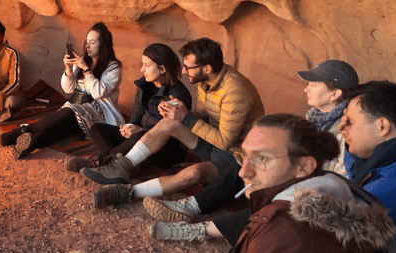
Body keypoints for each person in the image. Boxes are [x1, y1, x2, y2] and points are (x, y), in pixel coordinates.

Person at [145, 59, 359, 242]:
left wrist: (283, 175)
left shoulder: (346, 131)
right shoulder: (315, 117)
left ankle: (198, 230)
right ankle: (190, 206)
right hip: (292, 174)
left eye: (313, 84)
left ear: (335, 94)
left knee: (273, 208)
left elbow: (335, 181)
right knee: (242, 165)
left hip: (311, 192)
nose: (306, 88)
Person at [184, 113, 396, 253]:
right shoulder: (333, 187)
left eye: (262, 159)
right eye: (245, 156)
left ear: (304, 166)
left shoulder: (285, 230)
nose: (243, 172)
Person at [84, 38, 263, 206]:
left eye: (188, 67)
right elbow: (201, 115)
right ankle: (122, 166)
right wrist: (177, 114)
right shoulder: (205, 81)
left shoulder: (235, 91)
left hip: (235, 154)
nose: (184, 71)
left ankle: (128, 192)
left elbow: (225, 142)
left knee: (195, 172)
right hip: (211, 143)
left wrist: (186, 117)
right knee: (168, 123)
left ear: (207, 68)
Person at [0, 22, 122, 160]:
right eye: (86, 42)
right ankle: (32, 143)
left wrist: (86, 70)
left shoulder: (113, 67)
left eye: (92, 42)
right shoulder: (82, 61)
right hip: (77, 109)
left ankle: (22, 131)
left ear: (103, 44)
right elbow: (68, 89)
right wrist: (69, 69)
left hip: (98, 114)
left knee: (67, 113)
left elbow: (98, 93)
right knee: (60, 129)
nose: (87, 46)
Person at [67, 43, 191, 176]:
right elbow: (137, 116)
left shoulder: (177, 95)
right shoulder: (144, 84)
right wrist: (129, 127)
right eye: (142, 64)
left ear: (162, 69)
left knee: (137, 136)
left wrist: (141, 132)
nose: (142, 69)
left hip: (165, 149)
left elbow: (170, 133)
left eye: (147, 65)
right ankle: (119, 163)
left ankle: (99, 162)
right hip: (139, 137)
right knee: (96, 129)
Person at [340, 80, 396, 253]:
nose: (341, 129)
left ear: (382, 126)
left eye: (349, 122)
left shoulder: (389, 188)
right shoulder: (381, 166)